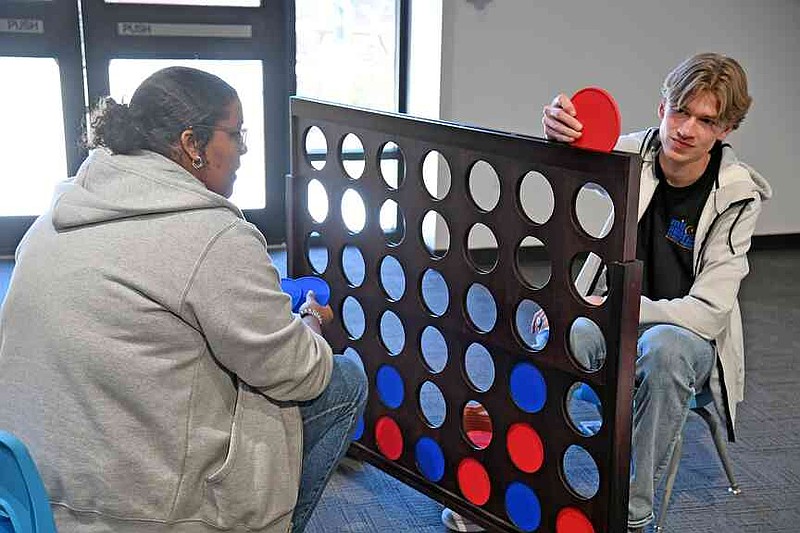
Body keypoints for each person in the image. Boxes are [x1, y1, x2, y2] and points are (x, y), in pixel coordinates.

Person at [0, 66, 367, 533]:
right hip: (133, 516)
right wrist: (311, 320)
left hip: (28, 494)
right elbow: (299, 370)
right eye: (235, 135)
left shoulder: (55, 215)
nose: (244, 150)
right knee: (342, 380)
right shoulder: (213, 236)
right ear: (192, 144)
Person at [444, 53, 771, 533]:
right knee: (549, 335)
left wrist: (616, 311)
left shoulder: (738, 195)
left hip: (685, 340)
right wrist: (559, 130)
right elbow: (570, 170)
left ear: (725, 130)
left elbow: (707, 313)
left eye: (706, 120)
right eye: (681, 111)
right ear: (662, 106)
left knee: (664, 351)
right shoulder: (629, 157)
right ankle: (503, 480)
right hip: (613, 318)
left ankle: (629, 515)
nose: (686, 130)